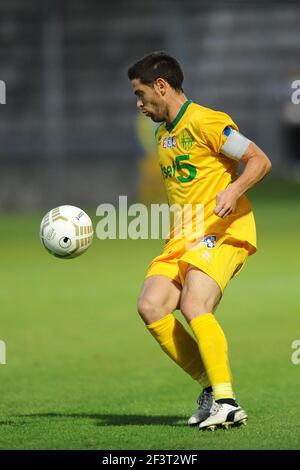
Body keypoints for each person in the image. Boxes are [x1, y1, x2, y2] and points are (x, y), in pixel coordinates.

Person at [127, 52, 271, 430]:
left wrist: (234, 190)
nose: (139, 104)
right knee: (151, 305)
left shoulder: (209, 122)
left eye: (141, 94)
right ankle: (210, 387)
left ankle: (228, 402)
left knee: (193, 303)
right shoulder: (163, 135)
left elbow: (259, 160)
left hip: (223, 232)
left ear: (162, 86)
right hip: (182, 238)